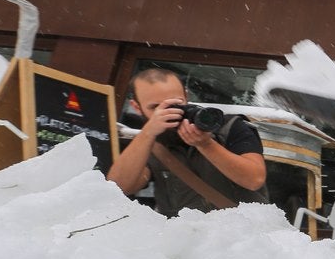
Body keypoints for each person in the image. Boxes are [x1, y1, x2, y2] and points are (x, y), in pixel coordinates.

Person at [107, 67, 271, 216]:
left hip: (243, 238)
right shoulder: (147, 144)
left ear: (186, 96)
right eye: (156, 107)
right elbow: (118, 188)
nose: (169, 112)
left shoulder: (229, 127)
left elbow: (253, 180)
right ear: (136, 107)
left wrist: (206, 144)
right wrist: (148, 133)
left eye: (176, 104)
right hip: (187, 241)